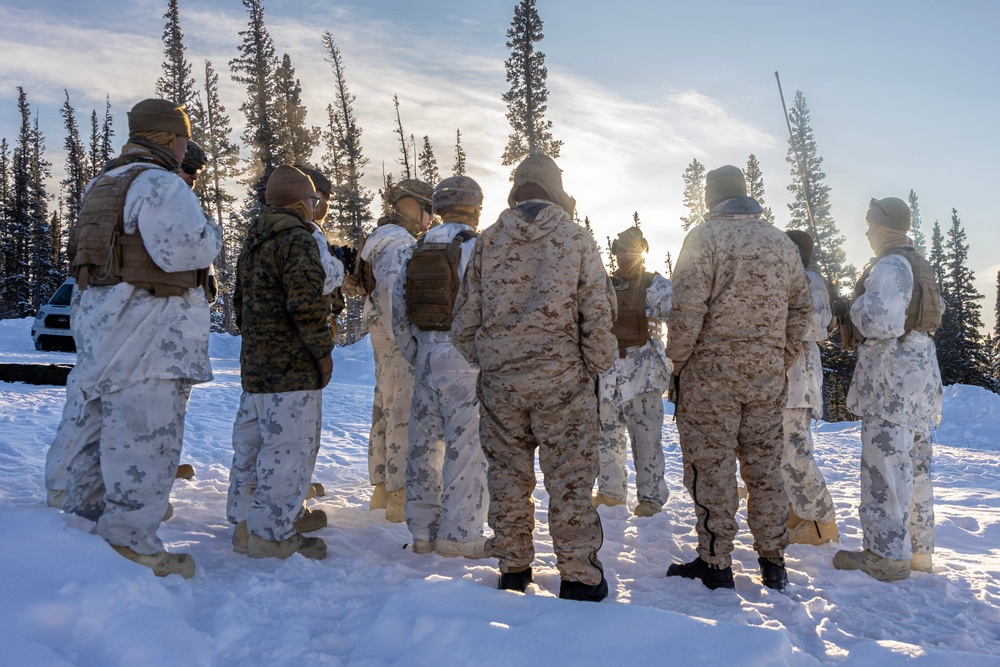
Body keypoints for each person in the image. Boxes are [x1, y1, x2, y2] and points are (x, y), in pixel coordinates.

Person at [60, 99, 222, 579]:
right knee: (146, 439)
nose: (184, 149)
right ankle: (132, 545)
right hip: (149, 334)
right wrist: (210, 228)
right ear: (170, 139)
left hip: (103, 329)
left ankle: (82, 526)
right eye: (183, 140)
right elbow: (185, 250)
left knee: (97, 432)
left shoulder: (104, 182)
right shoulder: (160, 184)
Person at [452, 153, 617, 602]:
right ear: (555, 190)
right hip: (563, 383)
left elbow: (464, 323)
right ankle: (579, 576)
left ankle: (513, 568)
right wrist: (595, 365)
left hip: (502, 385)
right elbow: (598, 316)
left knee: (507, 476)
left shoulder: (487, 242)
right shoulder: (575, 238)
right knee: (569, 478)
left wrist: (495, 359)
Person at [665, 165, 811, 592]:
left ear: (711, 199)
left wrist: (678, 362)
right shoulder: (781, 243)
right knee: (765, 468)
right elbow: (801, 309)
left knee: (712, 468)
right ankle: (773, 559)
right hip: (765, 376)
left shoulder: (705, 238)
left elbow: (687, 309)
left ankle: (716, 561)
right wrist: (777, 356)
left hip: (712, 375)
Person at [226, 165, 337, 560]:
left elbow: (240, 304)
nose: (315, 206)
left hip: (256, 369)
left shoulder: (254, 241)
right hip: (292, 370)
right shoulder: (297, 241)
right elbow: (306, 306)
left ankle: (244, 524)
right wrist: (322, 353)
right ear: (298, 202)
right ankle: (271, 534)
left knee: (252, 449)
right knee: (288, 452)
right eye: (312, 199)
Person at [833, 197, 942, 581]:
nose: (866, 233)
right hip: (920, 374)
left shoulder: (891, 264)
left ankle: (886, 554)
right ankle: (918, 551)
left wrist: (853, 305)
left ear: (879, 227)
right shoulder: (919, 264)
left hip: (890, 378)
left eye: (868, 226)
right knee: (915, 467)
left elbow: (881, 322)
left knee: (884, 466)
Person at [391, 176, 489, 559]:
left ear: (439, 207)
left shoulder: (418, 248)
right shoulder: (477, 248)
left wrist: (417, 352)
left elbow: (398, 308)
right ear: (475, 208)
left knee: (423, 446)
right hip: (465, 360)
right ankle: (460, 535)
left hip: (427, 355)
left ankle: (422, 533)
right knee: (465, 449)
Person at [356, 179, 435, 522]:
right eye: (427, 209)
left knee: (386, 408)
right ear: (409, 205)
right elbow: (392, 298)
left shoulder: (383, 239)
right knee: (402, 413)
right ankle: (399, 498)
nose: (430, 218)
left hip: (386, 338)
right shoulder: (397, 242)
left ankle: (384, 489)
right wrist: (412, 345)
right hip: (397, 339)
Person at [593, 225, 672, 517]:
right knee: (607, 438)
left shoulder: (658, 285)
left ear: (642, 251)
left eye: (631, 249)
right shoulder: (604, 286)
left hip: (644, 374)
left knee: (647, 439)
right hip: (608, 374)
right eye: (621, 250)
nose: (626, 255)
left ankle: (650, 498)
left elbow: (680, 314)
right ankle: (611, 493)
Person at [781, 230, 840, 546]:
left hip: (798, 378)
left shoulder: (809, 279)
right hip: (781, 377)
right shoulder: (787, 276)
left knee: (795, 449)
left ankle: (821, 522)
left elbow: (817, 323)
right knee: (782, 451)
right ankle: (800, 512)